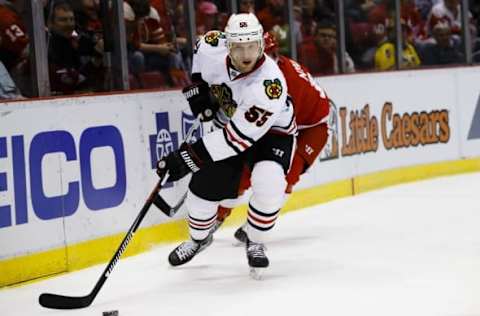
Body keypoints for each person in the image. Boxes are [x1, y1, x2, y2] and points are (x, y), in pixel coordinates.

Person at [156, 13, 296, 276]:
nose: (246, 54)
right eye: (239, 47)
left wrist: (187, 158)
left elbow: (236, 140)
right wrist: (199, 91)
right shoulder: (210, 45)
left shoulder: (268, 86)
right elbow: (199, 61)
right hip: (228, 125)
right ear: (227, 44)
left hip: (271, 133)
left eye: (252, 46)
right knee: (202, 193)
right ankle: (198, 239)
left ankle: (255, 240)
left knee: (271, 183)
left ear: (262, 45)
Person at [214, 32, 331, 240]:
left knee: (285, 175)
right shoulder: (261, 74)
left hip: (312, 128)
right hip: (287, 122)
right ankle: (218, 216)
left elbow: (277, 128)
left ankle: (256, 225)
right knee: (243, 171)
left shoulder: (282, 83)